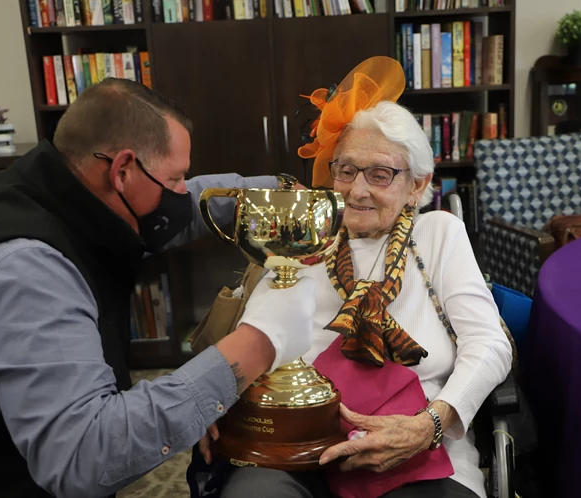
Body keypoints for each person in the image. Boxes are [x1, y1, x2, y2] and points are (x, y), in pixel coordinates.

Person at [0, 78, 316, 498]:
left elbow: (179, 207)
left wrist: (273, 195)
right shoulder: (22, 271)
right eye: (176, 177)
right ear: (122, 170)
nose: (182, 191)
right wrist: (259, 344)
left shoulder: (64, 184)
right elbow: (85, 455)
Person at [216, 58, 512, 498]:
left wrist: (430, 423)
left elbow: (489, 344)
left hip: (419, 447)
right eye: (347, 170)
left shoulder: (438, 234)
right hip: (304, 443)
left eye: (380, 174)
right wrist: (210, 401)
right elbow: (251, 337)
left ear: (416, 185)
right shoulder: (307, 236)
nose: (356, 190)